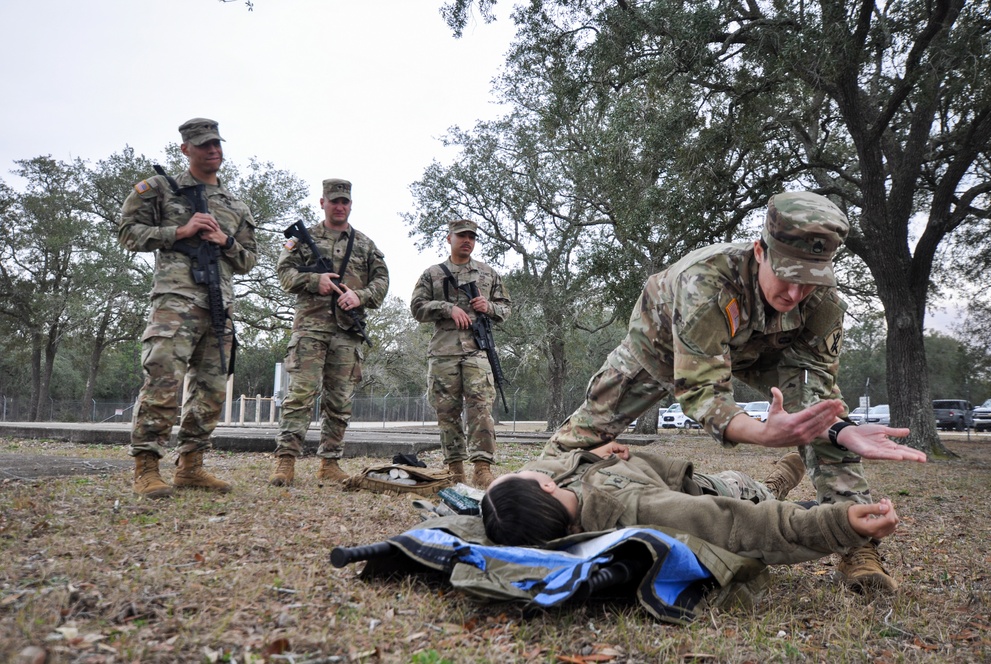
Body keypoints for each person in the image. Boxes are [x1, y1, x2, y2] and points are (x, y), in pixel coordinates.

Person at [545, 191, 926, 592]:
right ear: (761, 251)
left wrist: (837, 429)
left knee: (824, 417)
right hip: (660, 346)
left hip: (765, 352)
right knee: (584, 434)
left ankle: (858, 544)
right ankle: (541, 492)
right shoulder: (706, 282)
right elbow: (702, 390)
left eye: (810, 281)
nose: (796, 295)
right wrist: (761, 432)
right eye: (788, 275)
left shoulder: (824, 304)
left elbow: (814, 386)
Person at [118, 118, 258, 499]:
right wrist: (179, 232)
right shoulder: (161, 189)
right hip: (175, 304)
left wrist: (225, 240)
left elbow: (248, 260)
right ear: (186, 150)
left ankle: (191, 467)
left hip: (220, 306)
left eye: (217, 143)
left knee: (211, 391)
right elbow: (127, 233)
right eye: (204, 145)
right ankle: (146, 467)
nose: (213, 150)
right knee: (163, 382)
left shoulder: (235, 205)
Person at [482, 442, 900, 567]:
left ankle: (778, 478)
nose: (529, 468)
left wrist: (595, 452)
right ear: (546, 489)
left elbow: (539, 470)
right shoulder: (636, 510)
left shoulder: (554, 501)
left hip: (674, 478)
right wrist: (839, 524)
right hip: (718, 490)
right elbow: (741, 526)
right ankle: (782, 478)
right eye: (521, 475)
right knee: (764, 492)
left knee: (761, 488)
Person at [268, 179, 389, 487]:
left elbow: (382, 281)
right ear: (322, 202)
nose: (340, 206)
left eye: (345, 202)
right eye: (334, 201)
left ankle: (329, 463)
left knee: (340, 400)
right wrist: (314, 281)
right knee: (300, 396)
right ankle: (286, 462)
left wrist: (360, 296)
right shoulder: (303, 240)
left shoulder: (364, 244)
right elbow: (283, 273)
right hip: (311, 328)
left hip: (347, 332)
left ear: (351, 204)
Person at [410, 219, 511, 489]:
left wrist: (488, 306)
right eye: (461, 236)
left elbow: (505, 308)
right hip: (443, 351)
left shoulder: (489, 274)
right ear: (449, 238)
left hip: (478, 351)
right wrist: (446, 308)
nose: (467, 240)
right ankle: (455, 469)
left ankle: (481, 468)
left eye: (472, 237)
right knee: (447, 412)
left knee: (480, 408)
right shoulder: (432, 273)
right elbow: (417, 308)